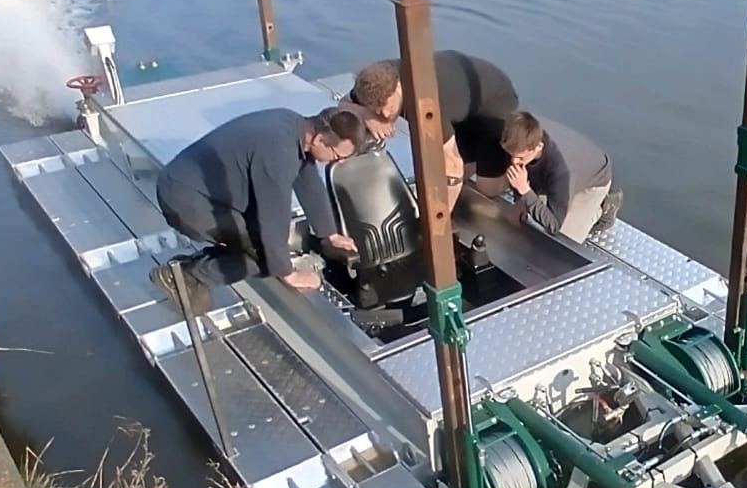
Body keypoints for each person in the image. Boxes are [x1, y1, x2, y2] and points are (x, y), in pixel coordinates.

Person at [151, 105, 364, 313]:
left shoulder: (294, 127)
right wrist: (289, 274)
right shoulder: (278, 151)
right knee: (265, 257)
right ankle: (185, 276)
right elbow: (272, 217)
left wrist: (330, 234)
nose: (335, 162)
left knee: (260, 244)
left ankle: (190, 267)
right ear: (320, 140)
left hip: (187, 185)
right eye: (337, 156)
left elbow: (309, 182)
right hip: (186, 201)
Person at [346, 51, 518, 207]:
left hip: (493, 101)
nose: (384, 114)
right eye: (376, 109)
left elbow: (453, 166)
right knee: (450, 171)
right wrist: (367, 116)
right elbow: (344, 103)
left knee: (487, 187)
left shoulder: (425, 105)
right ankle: (475, 160)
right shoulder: (372, 83)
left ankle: (519, 163)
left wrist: (440, 218)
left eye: (387, 106)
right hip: (458, 100)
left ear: (398, 87)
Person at [472, 110, 615, 241]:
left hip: (594, 176)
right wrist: (520, 202)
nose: (514, 162)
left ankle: (604, 209)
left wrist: (525, 191)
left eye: (520, 158)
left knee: (563, 241)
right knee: (535, 204)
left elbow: (554, 225)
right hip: (566, 160)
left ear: (538, 147)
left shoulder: (560, 171)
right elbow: (522, 172)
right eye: (511, 155)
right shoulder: (520, 134)